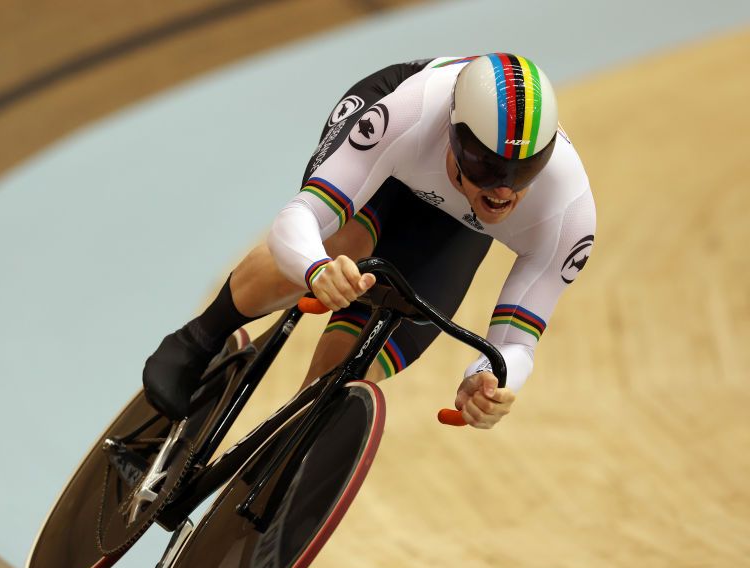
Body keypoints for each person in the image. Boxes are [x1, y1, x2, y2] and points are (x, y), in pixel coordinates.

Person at [142, 53, 596, 429]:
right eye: (488, 168)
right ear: (455, 138)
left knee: (346, 372)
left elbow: (516, 344)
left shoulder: (567, 210)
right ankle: (198, 339)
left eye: (523, 172)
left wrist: (488, 379)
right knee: (344, 246)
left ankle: (274, 458)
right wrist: (316, 269)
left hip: (455, 223)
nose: (503, 190)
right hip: (391, 159)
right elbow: (299, 218)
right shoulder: (411, 114)